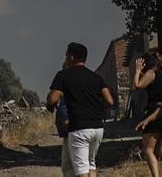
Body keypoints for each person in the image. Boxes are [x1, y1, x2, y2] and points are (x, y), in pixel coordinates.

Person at [47, 42, 114, 177]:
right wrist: (96, 109)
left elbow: (53, 99)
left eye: (66, 56)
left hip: (79, 128)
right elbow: (109, 101)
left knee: (81, 170)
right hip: (97, 128)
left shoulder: (63, 75)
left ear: (71, 57)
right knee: (91, 164)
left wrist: (49, 103)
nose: (66, 59)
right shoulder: (96, 77)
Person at [133, 49, 162, 177]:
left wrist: (138, 70)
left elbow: (137, 85)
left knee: (149, 150)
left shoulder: (152, 73)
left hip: (154, 112)